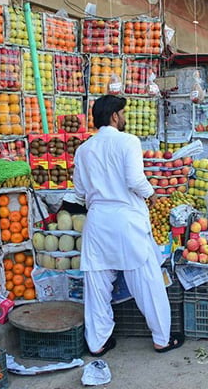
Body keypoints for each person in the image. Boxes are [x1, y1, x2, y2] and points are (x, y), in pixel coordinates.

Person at [72, 95, 184, 356]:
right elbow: (135, 179)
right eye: (122, 113)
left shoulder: (84, 149)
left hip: (98, 221)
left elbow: (79, 192)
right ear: (114, 116)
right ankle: (161, 338)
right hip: (126, 220)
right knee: (148, 282)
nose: (125, 118)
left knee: (97, 288)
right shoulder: (128, 141)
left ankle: (97, 343)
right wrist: (152, 194)